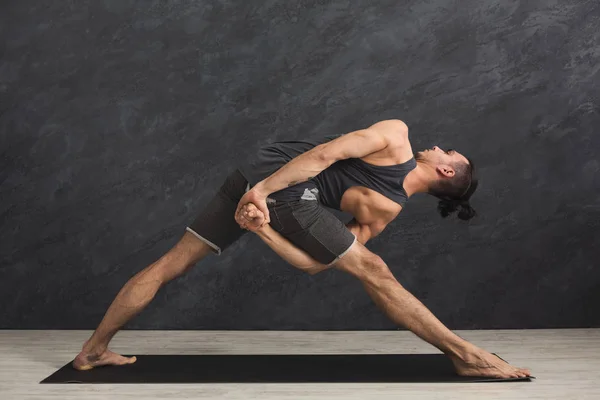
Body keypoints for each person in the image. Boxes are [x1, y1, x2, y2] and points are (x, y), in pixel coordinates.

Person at [73, 119, 531, 379]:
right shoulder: (391, 149)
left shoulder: (390, 182)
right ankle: (466, 356)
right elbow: (324, 154)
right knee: (375, 270)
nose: (438, 146)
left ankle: (93, 350)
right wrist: (263, 193)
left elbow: (315, 264)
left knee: (172, 263)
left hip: (261, 180)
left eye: (448, 152)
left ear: (448, 173)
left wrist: (260, 226)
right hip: (276, 180)